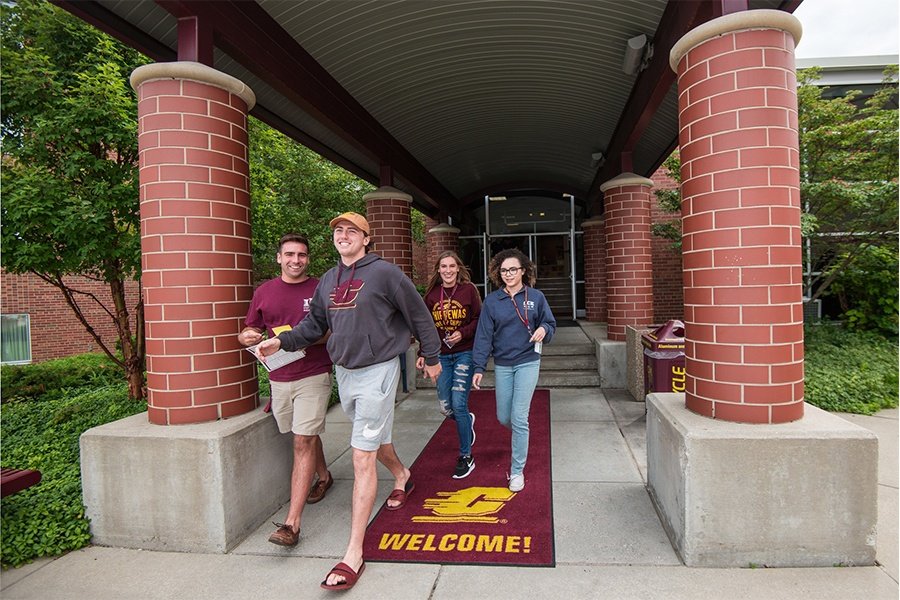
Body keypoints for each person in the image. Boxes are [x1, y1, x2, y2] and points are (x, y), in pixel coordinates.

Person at [254, 212, 442, 591]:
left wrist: (432, 355)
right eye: (338, 231)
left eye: (351, 231)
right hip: (346, 372)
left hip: (379, 369)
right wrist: (281, 341)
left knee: (361, 455)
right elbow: (313, 327)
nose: (343, 236)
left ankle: (353, 553)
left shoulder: (386, 274)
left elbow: (419, 314)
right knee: (372, 441)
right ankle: (403, 476)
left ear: (366, 239)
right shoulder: (328, 280)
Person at [238, 233, 334, 547]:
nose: (296, 260)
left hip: (313, 373)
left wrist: (292, 338)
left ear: (308, 259)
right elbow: (250, 328)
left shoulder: (320, 288)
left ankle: (291, 525)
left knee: (302, 439)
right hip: (279, 377)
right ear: (279, 257)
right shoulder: (264, 292)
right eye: (290, 254)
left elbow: (332, 331)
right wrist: (249, 337)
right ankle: (324, 476)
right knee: (302, 432)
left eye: (302, 255)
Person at [471, 248, 555, 493]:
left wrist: (544, 330)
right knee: (503, 417)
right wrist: (479, 367)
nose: (508, 274)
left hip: (528, 361)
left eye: (513, 269)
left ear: (523, 271)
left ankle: (517, 471)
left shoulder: (536, 297)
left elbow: (549, 323)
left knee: (518, 417)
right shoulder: (492, 301)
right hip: (503, 364)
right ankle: (522, 433)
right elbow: (484, 336)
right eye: (504, 270)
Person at [416, 251, 482, 479]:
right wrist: (423, 352)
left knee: (459, 404)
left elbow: (478, 319)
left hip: (464, 353)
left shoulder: (469, 290)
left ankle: (466, 456)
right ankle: (466, 421)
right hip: (441, 356)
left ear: (458, 268)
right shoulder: (432, 295)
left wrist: (461, 333)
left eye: (451, 266)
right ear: (438, 270)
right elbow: (426, 327)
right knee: (446, 407)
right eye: (443, 266)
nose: (447, 270)